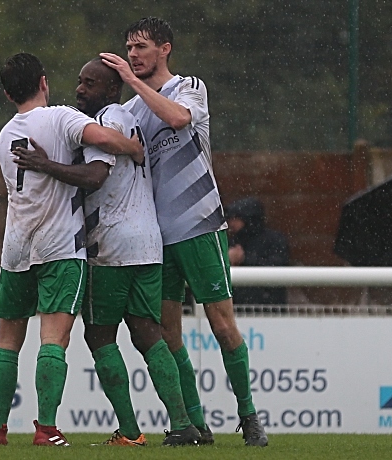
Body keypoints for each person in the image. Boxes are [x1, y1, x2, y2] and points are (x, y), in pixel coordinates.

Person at [13, 57, 200, 446]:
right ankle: (184, 426)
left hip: (112, 245)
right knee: (149, 334)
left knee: (99, 336)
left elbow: (96, 176)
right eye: (79, 81)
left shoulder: (111, 119)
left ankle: (130, 432)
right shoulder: (123, 117)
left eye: (90, 83)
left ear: (112, 90)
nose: (80, 89)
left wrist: (45, 165)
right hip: (147, 245)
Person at [100, 17, 269, 447]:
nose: (133, 54)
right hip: (157, 237)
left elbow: (177, 119)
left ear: (165, 49)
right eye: (129, 47)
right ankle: (195, 425)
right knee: (169, 332)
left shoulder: (189, 87)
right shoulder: (132, 111)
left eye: (140, 47)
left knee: (222, 325)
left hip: (199, 225)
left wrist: (131, 82)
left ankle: (248, 415)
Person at [0, 52, 143, 448]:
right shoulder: (60, 117)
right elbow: (102, 139)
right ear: (44, 82)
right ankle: (46, 429)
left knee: (6, 342)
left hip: (15, 246)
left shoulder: (4, 134)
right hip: (58, 246)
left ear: (6, 93)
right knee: (53, 339)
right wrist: (132, 148)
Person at [226, 197, 289, 306]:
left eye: (236, 218)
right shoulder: (231, 241)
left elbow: (277, 268)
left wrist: (244, 259)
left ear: (249, 219)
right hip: (238, 307)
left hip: (269, 308)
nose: (231, 222)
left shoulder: (274, 240)